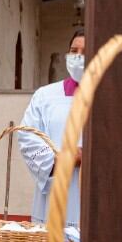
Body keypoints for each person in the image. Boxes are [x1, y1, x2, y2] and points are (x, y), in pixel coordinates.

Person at [18, 28, 85, 227]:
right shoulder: (45, 96)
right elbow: (27, 135)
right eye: (74, 51)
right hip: (56, 190)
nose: (78, 57)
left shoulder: (113, 97)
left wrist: (88, 155)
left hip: (94, 192)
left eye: (86, 52)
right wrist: (60, 159)